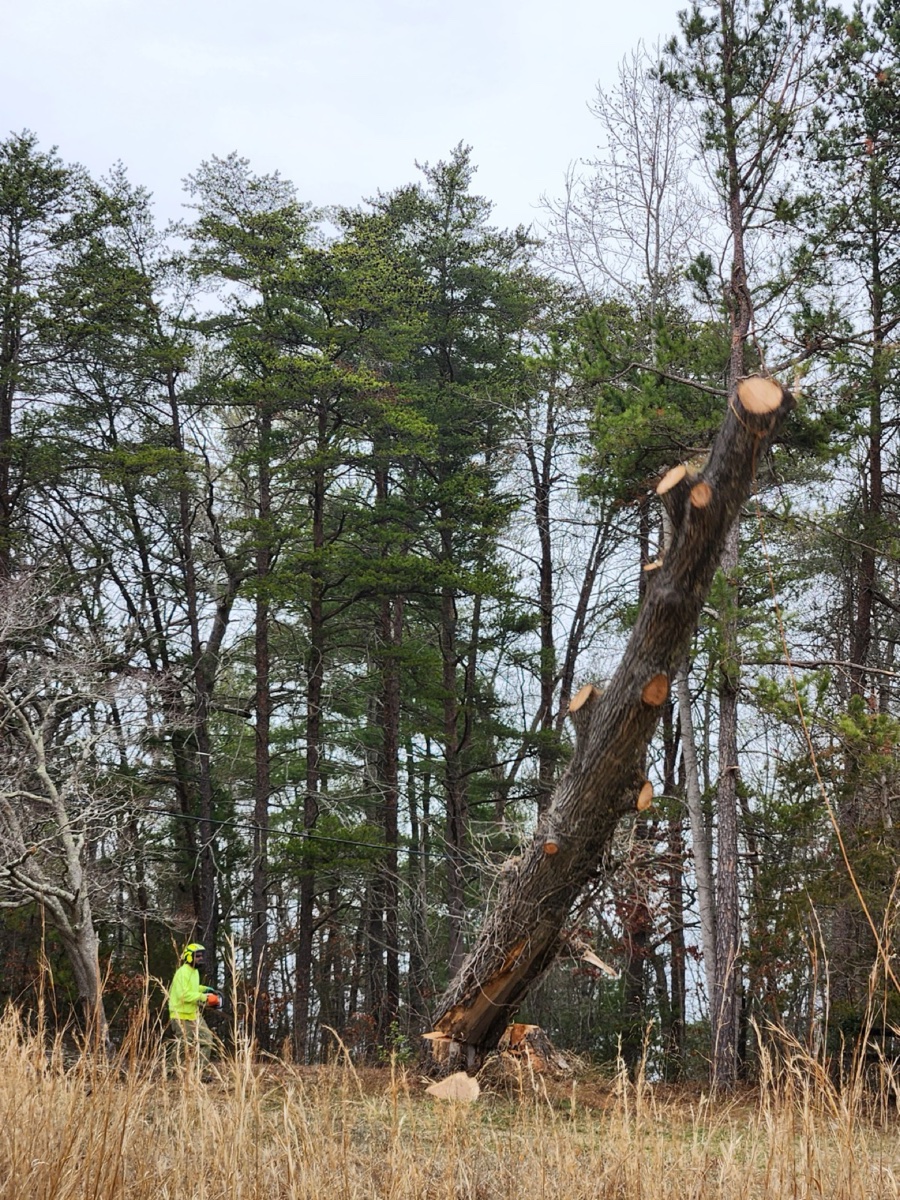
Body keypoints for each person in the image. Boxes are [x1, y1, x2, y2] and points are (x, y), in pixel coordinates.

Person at [167, 942, 221, 1075]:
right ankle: (169, 1070)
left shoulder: (194, 972)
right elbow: (183, 995)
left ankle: (200, 1072)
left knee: (207, 1040)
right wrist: (204, 997)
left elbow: (192, 988)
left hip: (193, 1013)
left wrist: (206, 989)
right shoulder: (182, 972)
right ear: (189, 957)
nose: (200, 959)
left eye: (201, 956)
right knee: (184, 1044)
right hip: (180, 1014)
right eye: (197, 956)